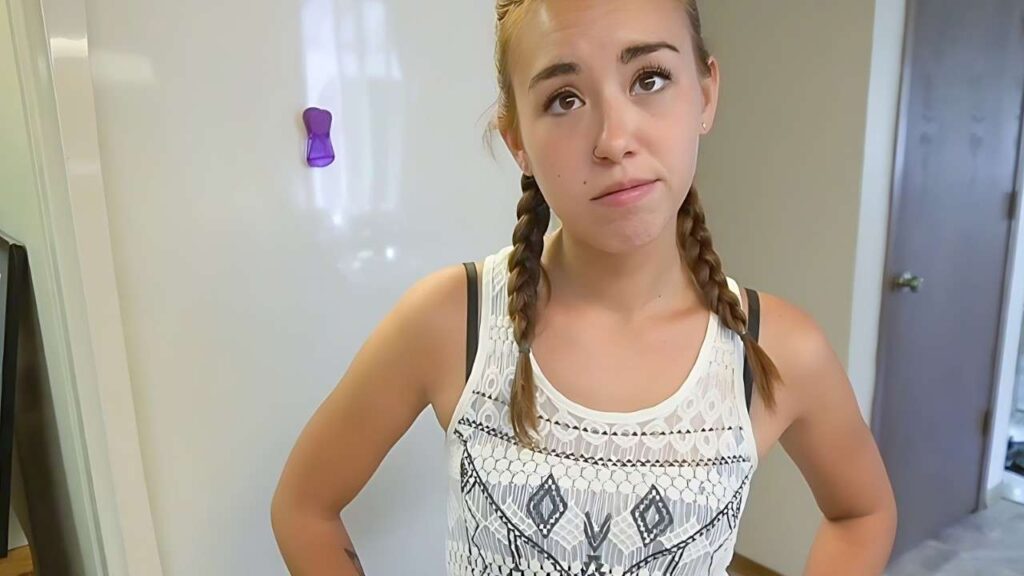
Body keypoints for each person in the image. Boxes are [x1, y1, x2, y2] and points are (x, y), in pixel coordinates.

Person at [270, 0, 897, 574]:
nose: (614, 140)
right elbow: (305, 507)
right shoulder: (450, 322)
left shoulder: (774, 351)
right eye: (565, 99)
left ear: (705, 93)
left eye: (649, 79)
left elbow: (862, 514)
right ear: (517, 139)